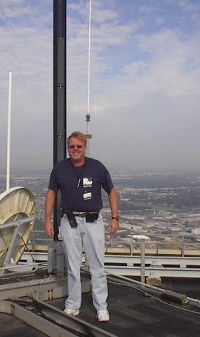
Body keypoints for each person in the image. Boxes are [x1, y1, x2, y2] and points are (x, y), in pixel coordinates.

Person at [44, 131, 119, 322]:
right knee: (72, 265)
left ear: (84, 148)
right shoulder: (60, 169)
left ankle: (102, 307)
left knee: (97, 266)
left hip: (93, 222)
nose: (75, 149)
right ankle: (73, 304)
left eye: (79, 146)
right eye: (72, 146)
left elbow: (111, 190)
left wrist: (115, 217)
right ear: (68, 148)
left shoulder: (97, 167)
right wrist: (47, 220)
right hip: (70, 222)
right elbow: (51, 193)